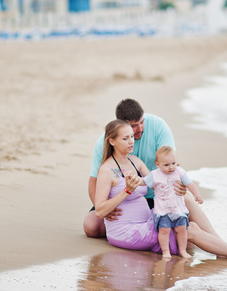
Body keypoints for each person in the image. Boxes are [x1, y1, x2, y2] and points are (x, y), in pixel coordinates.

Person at [94, 120, 227, 261]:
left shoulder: (135, 161)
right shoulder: (106, 170)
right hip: (126, 231)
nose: (131, 141)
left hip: (147, 220)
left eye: (132, 136)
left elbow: (158, 181)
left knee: (187, 226)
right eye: (125, 138)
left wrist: (178, 183)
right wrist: (126, 191)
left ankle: (224, 250)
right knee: (190, 230)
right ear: (112, 141)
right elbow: (100, 210)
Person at [84, 98, 218, 239]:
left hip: (156, 194)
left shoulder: (158, 125)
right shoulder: (105, 143)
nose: (140, 128)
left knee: (184, 196)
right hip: (121, 201)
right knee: (91, 226)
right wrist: (104, 209)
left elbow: (171, 164)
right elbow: (94, 180)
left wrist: (180, 186)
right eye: (134, 126)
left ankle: (215, 239)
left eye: (142, 122)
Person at [138, 146, 203, 259]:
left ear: (177, 161)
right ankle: (165, 251)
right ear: (158, 164)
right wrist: (133, 180)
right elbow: (143, 182)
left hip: (178, 209)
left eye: (173, 163)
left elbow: (190, 184)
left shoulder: (180, 172)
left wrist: (196, 195)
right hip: (163, 210)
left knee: (182, 229)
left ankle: (182, 250)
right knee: (164, 230)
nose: (171, 167)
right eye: (166, 165)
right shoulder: (155, 174)